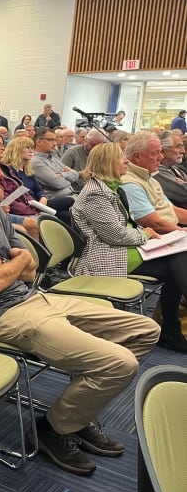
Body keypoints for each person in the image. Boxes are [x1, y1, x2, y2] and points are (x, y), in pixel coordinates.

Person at [0, 140, 160, 476]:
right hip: (0, 315)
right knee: (120, 364)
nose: (1, 173)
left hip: (35, 297)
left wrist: (16, 260)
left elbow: (30, 268)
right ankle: (54, 429)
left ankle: (77, 411)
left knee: (145, 330)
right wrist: (16, 261)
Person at [72, 142, 187, 353]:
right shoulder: (95, 194)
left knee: (179, 259)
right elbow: (115, 235)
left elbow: (123, 228)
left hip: (123, 249)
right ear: (107, 163)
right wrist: (145, 234)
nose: (125, 161)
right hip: (106, 255)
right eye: (120, 158)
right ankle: (171, 331)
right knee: (178, 263)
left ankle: (171, 330)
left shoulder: (108, 188)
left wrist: (146, 235)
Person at [120, 131, 187, 234]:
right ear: (137, 156)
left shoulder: (149, 178)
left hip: (171, 234)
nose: (161, 157)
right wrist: (182, 232)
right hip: (158, 240)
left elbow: (172, 210)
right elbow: (153, 223)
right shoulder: (129, 184)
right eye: (155, 153)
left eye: (160, 152)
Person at [2, 136, 73, 223]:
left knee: (67, 213)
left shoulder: (27, 170)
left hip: (39, 203)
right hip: (28, 206)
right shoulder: (11, 171)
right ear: (17, 150)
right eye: (27, 148)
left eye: (32, 148)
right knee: (68, 203)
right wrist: (38, 205)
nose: (31, 151)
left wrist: (43, 198)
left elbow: (39, 189)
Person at [154, 131, 187, 209]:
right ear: (163, 149)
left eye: (183, 147)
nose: (183, 151)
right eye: (178, 147)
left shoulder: (175, 168)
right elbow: (184, 192)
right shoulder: (157, 171)